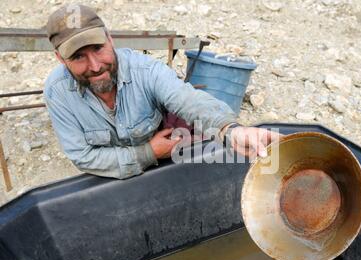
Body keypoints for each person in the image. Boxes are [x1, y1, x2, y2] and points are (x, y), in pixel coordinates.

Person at [44, 4, 280, 179]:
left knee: (208, 148)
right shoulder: (58, 93)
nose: (95, 66)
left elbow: (186, 99)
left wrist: (230, 129)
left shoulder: (145, 70)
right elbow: (83, 157)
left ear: (110, 39)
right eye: (78, 57)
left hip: (166, 161)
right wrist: (148, 153)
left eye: (98, 48)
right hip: (113, 177)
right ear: (60, 59)